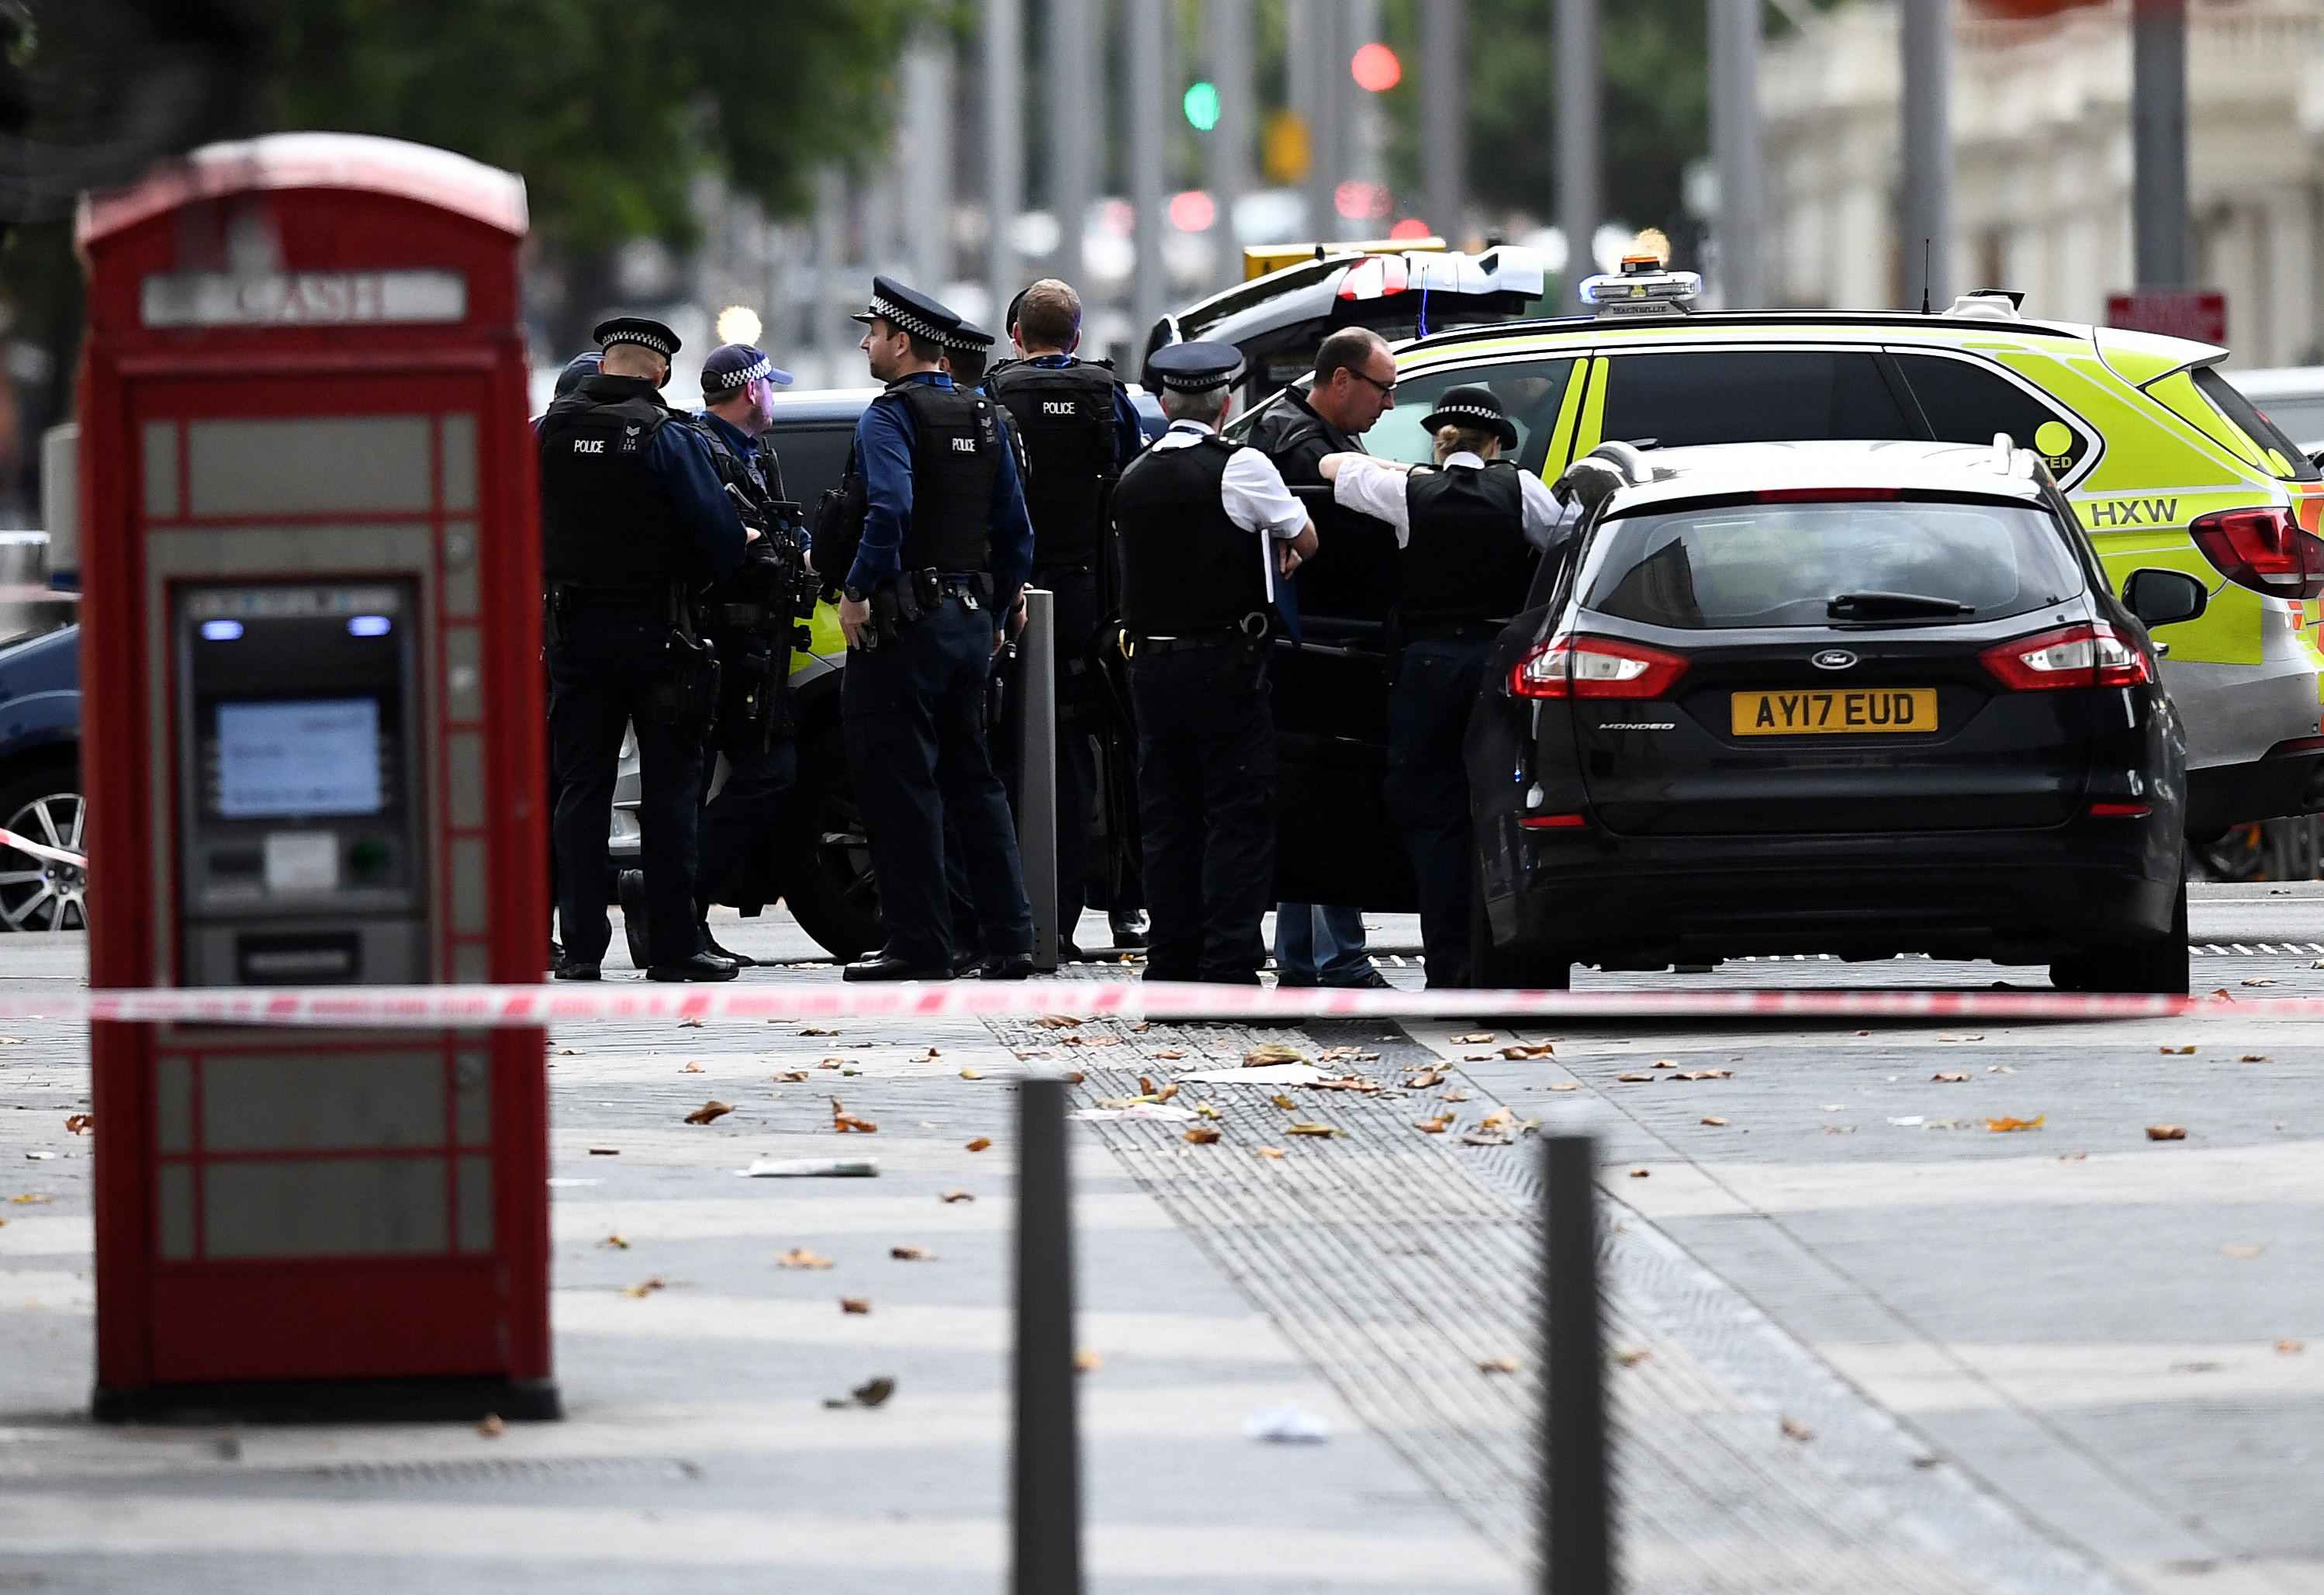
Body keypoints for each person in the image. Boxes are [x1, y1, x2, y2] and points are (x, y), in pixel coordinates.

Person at [1320, 386, 1567, 986]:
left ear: (1440, 440)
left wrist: (1400, 468)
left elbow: (1334, 469)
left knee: (1434, 819)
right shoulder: (1522, 488)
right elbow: (1564, 545)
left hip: (1428, 667)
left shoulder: (1410, 491)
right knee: (1503, 806)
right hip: (1497, 666)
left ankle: (1446, 966)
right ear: (1497, 444)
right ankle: (1506, 959)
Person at [837, 276, 1037, 982]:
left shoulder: (889, 417)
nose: (866, 343)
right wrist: (1004, 603)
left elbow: (889, 507)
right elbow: (1015, 531)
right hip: (967, 625)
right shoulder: (986, 417)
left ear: (900, 341)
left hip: (904, 627)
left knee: (901, 787)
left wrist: (858, 589)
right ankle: (1011, 939)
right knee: (975, 782)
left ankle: (920, 943)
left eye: (873, 333)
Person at [538, 316, 750, 982]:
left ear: (603, 366)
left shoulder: (545, 435)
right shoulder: (665, 437)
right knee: (669, 792)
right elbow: (719, 536)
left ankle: (578, 949)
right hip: (660, 635)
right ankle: (672, 946)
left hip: (573, 635)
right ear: (658, 372)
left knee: (580, 790)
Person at [1112, 341, 1316, 984]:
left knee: (1167, 816)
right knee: (1236, 812)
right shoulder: (1241, 465)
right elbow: (1306, 536)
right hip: (1225, 663)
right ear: (1226, 406)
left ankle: (1170, 960)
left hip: (1149, 666)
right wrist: (1280, 546)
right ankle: (1228, 959)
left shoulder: (1134, 475)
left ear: (1165, 404)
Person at [984, 279, 1148, 958]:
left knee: (1004, 751)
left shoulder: (995, 396)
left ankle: (1021, 917)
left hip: (1011, 598)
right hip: (1091, 602)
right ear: (1077, 339)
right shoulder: (1108, 397)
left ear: (1016, 336)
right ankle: (1102, 909)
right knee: (1094, 755)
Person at [1248, 326, 1402, 991]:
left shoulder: (1305, 430)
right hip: (1311, 649)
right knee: (1324, 800)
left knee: (1310, 802)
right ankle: (1334, 957)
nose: (1390, 406)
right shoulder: (1297, 444)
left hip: (1311, 646)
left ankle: (1308, 957)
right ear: (1341, 380)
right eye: (1383, 390)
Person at [684, 341, 809, 969]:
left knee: (754, 775)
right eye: (769, 387)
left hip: (758, 642)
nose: (773, 398)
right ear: (751, 390)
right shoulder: (703, 453)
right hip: (722, 645)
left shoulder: (754, 455)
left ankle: (685, 913)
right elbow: (727, 546)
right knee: (764, 772)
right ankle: (677, 904)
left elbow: (782, 535)